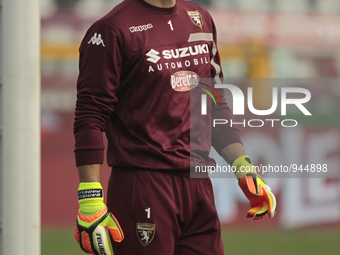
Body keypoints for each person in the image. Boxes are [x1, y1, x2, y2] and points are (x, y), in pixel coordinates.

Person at [73, 0, 277, 254]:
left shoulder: (200, 18)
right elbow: (90, 115)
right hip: (144, 185)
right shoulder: (111, 29)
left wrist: (244, 168)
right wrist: (89, 197)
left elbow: (214, 102)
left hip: (199, 185)